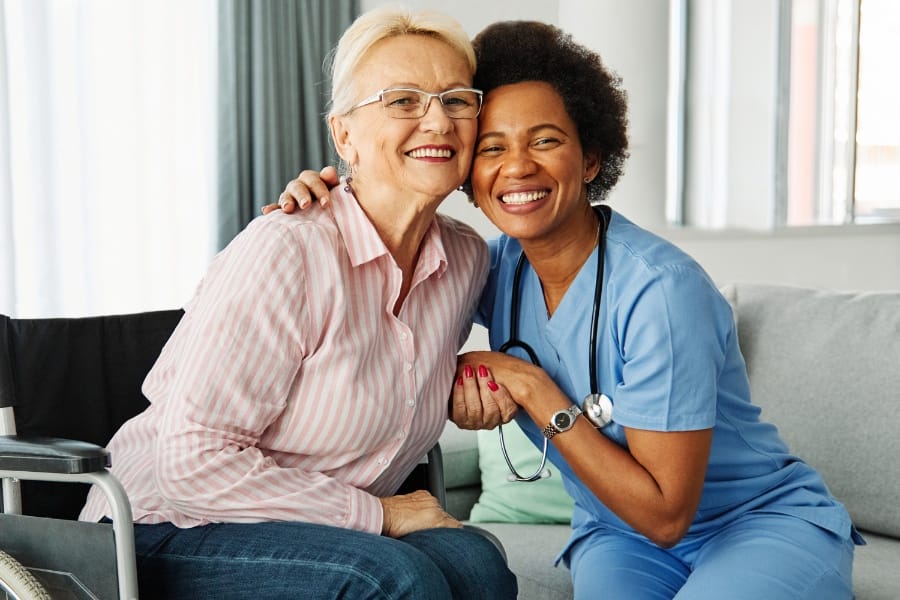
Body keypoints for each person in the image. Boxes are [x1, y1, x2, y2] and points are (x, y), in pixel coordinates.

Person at [273, 19, 862, 600]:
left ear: (589, 160)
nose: (518, 166)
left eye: (545, 140)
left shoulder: (662, 290)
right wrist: (329, 197)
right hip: (616, 531)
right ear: (468, 177)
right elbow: (388, 273)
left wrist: (531, 386)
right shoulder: (485, 266)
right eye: (492, 147)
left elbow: (665, 516)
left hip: (755, 524)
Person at [79, 7, 517, 599]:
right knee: (394, 579)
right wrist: (379, 517)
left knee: (477, 566)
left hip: (324, 531)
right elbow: (190, 463)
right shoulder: (289, 249)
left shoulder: (466, 260)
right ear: (343, 135)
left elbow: (531, 316)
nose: (437, 120)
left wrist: (482, 380)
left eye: (456, 100)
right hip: (162, 527)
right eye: (402, 100)